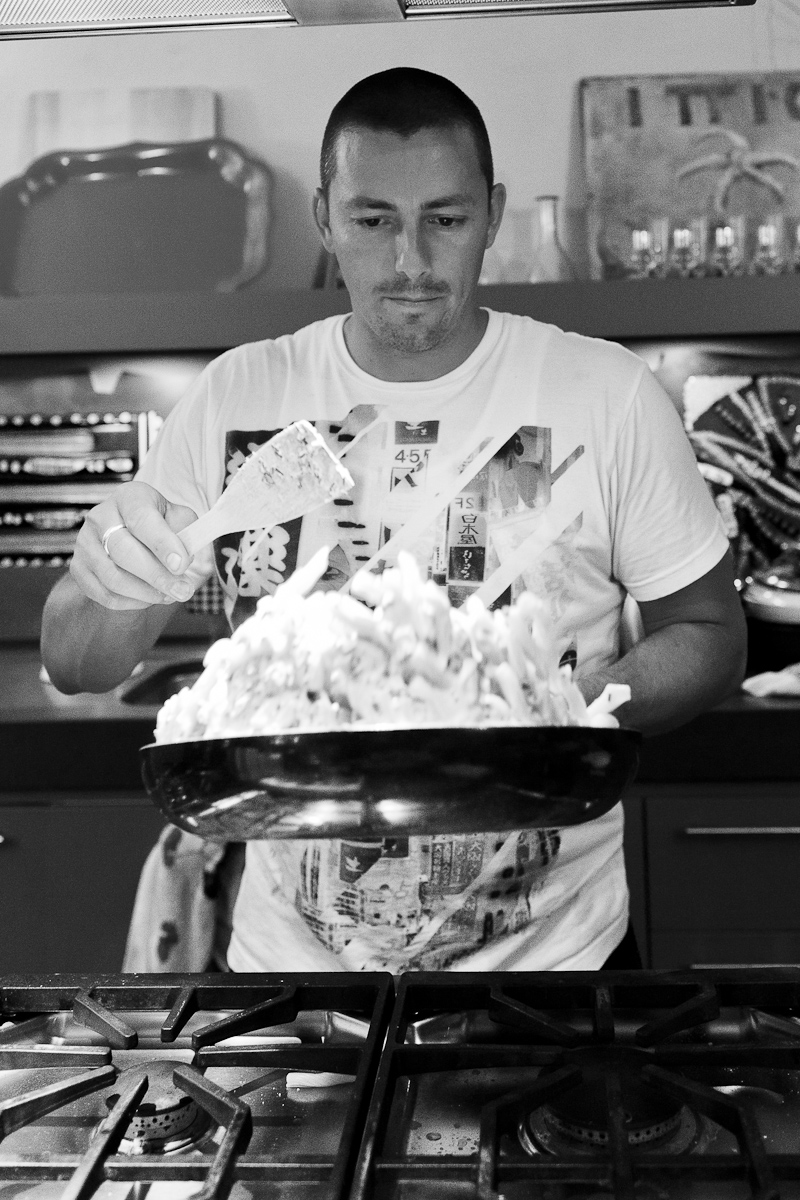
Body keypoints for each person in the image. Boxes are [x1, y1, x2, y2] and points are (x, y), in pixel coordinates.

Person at [41, 67, 747, 974]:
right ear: (325, 218)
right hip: (292, 978)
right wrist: (118, 579)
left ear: (490, 215)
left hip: (555, 965)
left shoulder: (605, 394)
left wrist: (563, 713)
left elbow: (710, 634)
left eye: (445, 220)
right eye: (374, 220)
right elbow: (76, 658)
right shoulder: (238, 395)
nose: (411, 261)